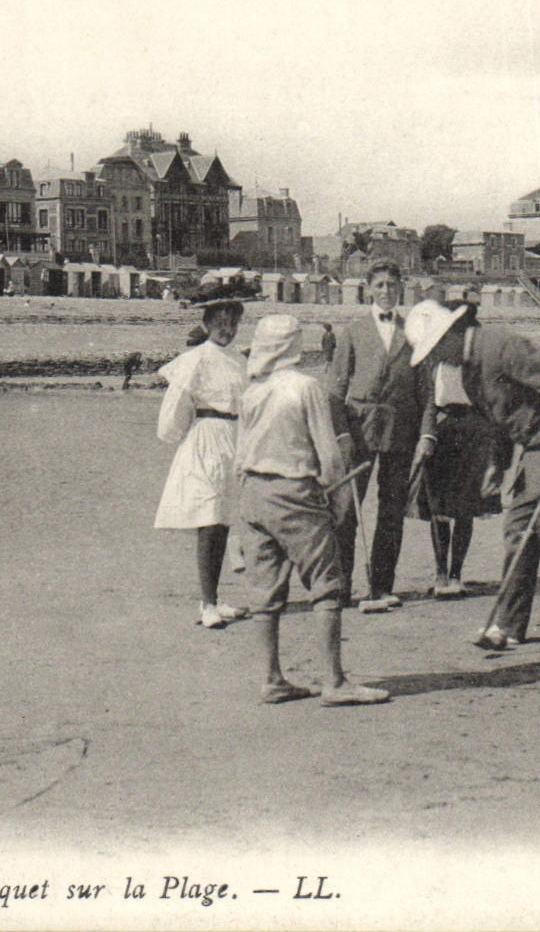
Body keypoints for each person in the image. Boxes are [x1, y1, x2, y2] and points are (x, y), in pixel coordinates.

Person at [403, 299, 540, 655]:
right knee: (518, 530)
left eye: (437, 349)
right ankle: (508, 625)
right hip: (533, 450)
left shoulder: (501, 346)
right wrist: (497, 465)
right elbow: (502, 422)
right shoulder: (470, 373)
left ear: (452, 333)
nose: (437, 359)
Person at [238, 314, 390, 706]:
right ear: (294, 346)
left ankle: (271, 679)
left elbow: (240, 455)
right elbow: (329, 455)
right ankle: (334, 683)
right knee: (327, 583)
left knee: (265, 592)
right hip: (295, 492)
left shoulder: (251, 392)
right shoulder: (306, 387)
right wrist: (337, 500)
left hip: (253, 493)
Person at [326, 258, 421, 613]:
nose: (385, 292)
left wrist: (425, 434)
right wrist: (341, 435)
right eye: (379, 285)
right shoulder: (352, 331)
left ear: (401, 289)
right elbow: (334, 392)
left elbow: (424, 389)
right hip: (359, 429)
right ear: (368, 289)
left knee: (392, 510)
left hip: (401, 429)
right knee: (346, 509)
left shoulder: (414, 331)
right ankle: (340, 587)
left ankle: (382, 587)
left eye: (391, 286)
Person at [154, 298, 251, 629]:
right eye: (221, 323)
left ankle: (216, 598)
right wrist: (179, 436)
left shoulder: (240, 359)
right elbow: (176, 408)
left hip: (233, 439)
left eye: (233, 323)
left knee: (223, 520)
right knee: (208, 521)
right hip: (206, 439)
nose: (227, 330)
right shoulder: (195, 359)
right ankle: (207, 603)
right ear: (208, 324)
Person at [409, 301, 502, 599]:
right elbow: (427, 402)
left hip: (474, 433)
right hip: (442, 431)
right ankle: (439, 574)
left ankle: (456, 575)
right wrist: (427, 435)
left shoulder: (478, 357)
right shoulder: (433, 356)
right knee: (438, 508)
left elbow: (492, 401)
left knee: (466, 509)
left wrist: (490, 441)